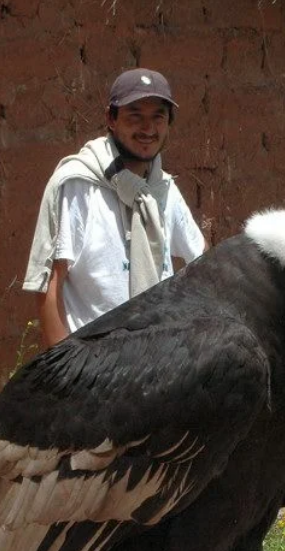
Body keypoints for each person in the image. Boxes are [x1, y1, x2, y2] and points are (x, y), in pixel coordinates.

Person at [22, 68, 206, 349]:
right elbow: (49, 283)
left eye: (158, 117)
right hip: (95, 367)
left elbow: (201, 263)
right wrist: (60, 368)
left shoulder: (163, 189)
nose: (148, 129)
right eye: (135, 115)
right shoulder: (77, 184)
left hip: (155, 361)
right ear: (111, 118)